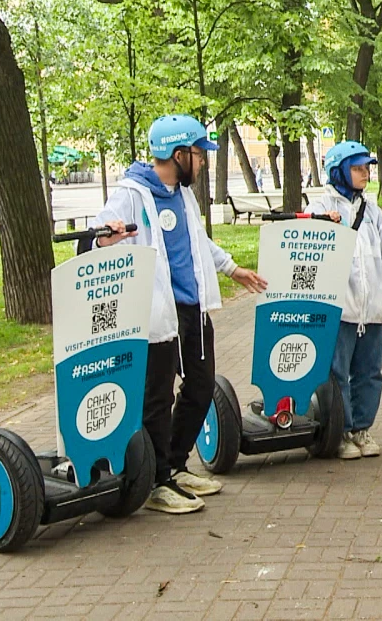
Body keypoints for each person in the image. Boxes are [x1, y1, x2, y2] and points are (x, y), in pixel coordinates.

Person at [94, 114, 269, 514]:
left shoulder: (183, 194)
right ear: (178, 154)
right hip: (157, 317)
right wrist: (108, 238)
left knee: (201, 387)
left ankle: (173, 464)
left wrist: (232, 269)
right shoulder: (131, 194)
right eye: (199, 154)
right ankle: (155, 482)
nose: (204, 161)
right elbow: (95, 239)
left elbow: (198, 241)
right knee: (155, 399)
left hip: (193, 308)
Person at [305, 141, 382, 460]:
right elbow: (311, 257)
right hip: (341, 308)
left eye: (367, 168)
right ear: (339, 172)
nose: (365, 173)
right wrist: (324, 225)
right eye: (358, 168)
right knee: (336, 372)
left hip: (372, 306)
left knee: (370, 372)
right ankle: (342, 431)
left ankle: (362, 427)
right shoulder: (321, 209)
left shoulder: (372, 210)